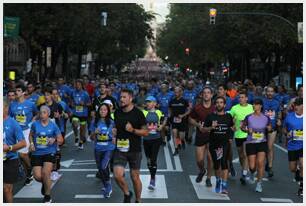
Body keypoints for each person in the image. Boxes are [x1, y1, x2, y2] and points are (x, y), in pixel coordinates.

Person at [113, 88, 149, 203]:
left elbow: (145, 132)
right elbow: (116, 126)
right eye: (120, 97)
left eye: (124, 97)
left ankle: (138, 200)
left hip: (134, 150)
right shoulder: (117, 112)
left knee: (135, 177)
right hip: (120, 149)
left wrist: (132, 130)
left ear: (131, 98)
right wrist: (114, 132)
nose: (121, 99)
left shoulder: (138, 113)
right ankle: (127, 193)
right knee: (117, 175)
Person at [29, 105, 63, 203]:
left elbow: (61, 140)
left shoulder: (53, 125)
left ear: (48, 114)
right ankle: (45, 183)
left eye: (44, 112)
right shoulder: (35, 124)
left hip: (49, 152)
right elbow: (31, 135)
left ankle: (47, 196)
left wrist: (55, 139)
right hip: (37, 153)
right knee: (37, 176)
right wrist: (31, 144)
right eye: (40, 112)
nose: (42, 114)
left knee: (46, 173)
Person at [9, 83, 38, 186]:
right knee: (19, 154)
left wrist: (32, 121)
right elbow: (10, 117)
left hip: (26, 131)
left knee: (22, 154)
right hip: (16, 131)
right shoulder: (12, 105)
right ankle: (29, 174)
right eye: (16, 91)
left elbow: (37, 113)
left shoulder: (30, 104)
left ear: (24, 92)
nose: (16, 92)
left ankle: (30, 168)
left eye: (19, 91)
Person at [204, 96, 234, 194]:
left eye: (221, 102)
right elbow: (203, 129)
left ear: (224, 105)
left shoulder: (228, 116)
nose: (219, 104)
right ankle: (218, 181)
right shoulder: (210, 116)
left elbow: (232, 128)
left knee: (224, 162)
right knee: (216, 164)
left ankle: (224, 185)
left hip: (224, 143)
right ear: (215, 104)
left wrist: (232, 135)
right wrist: (211, 127)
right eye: (217, 102)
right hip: (214, 144)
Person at [241, 98, 272, 193]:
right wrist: (246, 130)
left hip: (262, 143)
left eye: (256, 104)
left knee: (260, 163)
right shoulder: (248, 117)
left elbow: (270, 129)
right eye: (253, 104)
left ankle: (259, 183)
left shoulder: (266, 117)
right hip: (251, 143)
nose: (254, 106)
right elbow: (242, 127)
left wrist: (269, 128)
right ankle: (252, 173)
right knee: (252, 166)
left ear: (260, 106)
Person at [189, 86, 214, 186]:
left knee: (210, 158)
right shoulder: (197, 107)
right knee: (199, 160)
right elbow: (190, 119)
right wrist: (198, 125)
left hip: (212, 136)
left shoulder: (215, 107)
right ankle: (202, 170)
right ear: (202, 95)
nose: (206, 94)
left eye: (208, 92)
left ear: (211, 95)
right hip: (200, 135)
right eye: (204, 93)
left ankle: (208, 178)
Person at [90, 103, 115, 198]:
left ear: (108, 111)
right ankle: (106, 185)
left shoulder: (112, 122)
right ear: (98, 111)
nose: (103, 111)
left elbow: (116, 134)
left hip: (109, 148)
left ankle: (108, 185)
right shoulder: (94, 122)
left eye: (105, 110)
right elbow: (91, 138)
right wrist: (94, 133)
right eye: (101, 110)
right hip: (98, 148)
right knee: (100, 169)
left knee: (104, 166)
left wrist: (115, 137)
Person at [3, 99, 26, 203]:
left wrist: (9, 148)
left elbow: (23, 143)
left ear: (6, 108)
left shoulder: (13, 123)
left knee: (7, 189)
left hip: (10, 159)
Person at [229, 91, 254, 185]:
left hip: (249, 134)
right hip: (238, 134)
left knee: (245, 153)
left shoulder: (251, 107)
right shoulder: (234, 108)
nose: (241, 99)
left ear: (246, 98)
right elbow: (229, 118)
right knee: (241, 155)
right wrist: (232, 124)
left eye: (243, 97)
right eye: (239, 97)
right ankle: (244, 169)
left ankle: (244, 174)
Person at [142, 96, 166, 190]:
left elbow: (164, 120)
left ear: (154, 104)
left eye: (149, 102)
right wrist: (144, 128)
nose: (147, 103)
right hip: (146, 139)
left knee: (153, 159)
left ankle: (152, 179)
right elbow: (140, 123)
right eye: (146, 102)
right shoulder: (144, 112)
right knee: (148, 161)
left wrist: (161, 126)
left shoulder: (159, 112)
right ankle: (152, 173)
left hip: (156, 139)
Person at [283, 97, 303, 197]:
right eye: (296, 105)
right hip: (292, 146)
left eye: (299, 106)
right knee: (292, 168)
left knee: (303, 164)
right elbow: (284, 129)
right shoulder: (289, 117)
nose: (297, 107)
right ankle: (298, 171)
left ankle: (302, 187)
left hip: (303, 145)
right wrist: (287, 134)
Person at [216, 84, 235, 177]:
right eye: (218, 89)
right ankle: (221, 165)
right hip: (218, 126)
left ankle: (230, 163)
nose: (219, 91)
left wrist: (234, 122)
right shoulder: (215, 101)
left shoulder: (230, 100)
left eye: (221, 89)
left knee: (229, 146)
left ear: (225, 91)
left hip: (228, 126)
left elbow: (235, 111)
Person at [262, 86, 281, 177]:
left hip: (272, 128)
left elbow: (279, 113)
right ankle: (266, 162)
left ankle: (269, 167)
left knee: (270, 147)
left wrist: (279, 119)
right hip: (262, 127)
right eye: (268, 91)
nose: (270, 93)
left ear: (274, 93)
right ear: (266, 92)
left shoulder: (277, 102)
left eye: (271, 91)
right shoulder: (262, 101)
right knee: (263, 148)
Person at [169, 86, 191, 155]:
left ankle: (182, 141)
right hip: (174, 120)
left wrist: (183, 115)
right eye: (175, 92)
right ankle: (176, 149)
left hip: (182, 120)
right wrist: (170, 114)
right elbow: (169, 109)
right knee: (175, 133)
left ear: (180, 92)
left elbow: (189, 110)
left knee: (181, 136)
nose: (176, 93)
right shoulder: (172, 101)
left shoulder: (184, 100)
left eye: (177, 92)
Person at [71, 79, 91, 149]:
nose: (77, 86)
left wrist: (84, 104)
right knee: (74, 123)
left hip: (83, 113)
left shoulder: (85, 93)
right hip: (75, 112)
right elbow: (71, 100)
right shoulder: (73, 92)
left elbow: (89, 103)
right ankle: (76, 136)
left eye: (79, 84)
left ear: (82, 85)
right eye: (76, 84)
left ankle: (81, 142)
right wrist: (72, 104)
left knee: (83, 129)